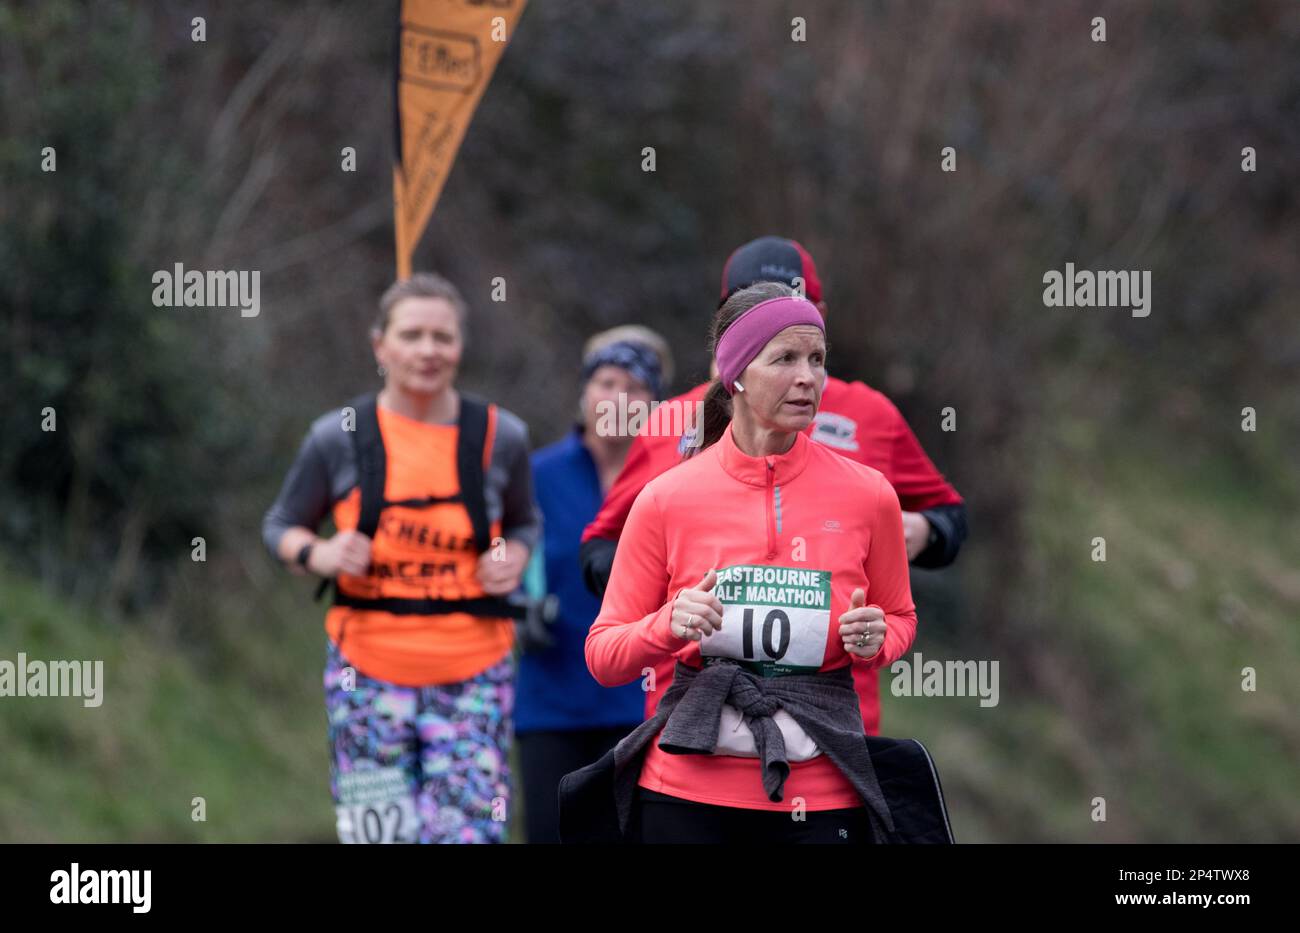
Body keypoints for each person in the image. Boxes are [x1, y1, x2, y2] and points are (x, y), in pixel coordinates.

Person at [580, 235, 965, 734]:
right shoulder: (673, 420)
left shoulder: (870, 415)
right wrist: (666, 583)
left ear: (819, 312)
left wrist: (924, 531)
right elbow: (601, 549)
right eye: (755, 302)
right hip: (693, 717)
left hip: (832, 718)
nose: (777, 312)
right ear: (729, 327)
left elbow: (950, 525)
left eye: (791, 300)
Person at [577, 282, 917, 843]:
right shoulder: (667, 496)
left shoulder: (870, 494)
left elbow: (901, 619)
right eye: (784, 358)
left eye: (817, 359)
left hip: (822, 791)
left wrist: (877, 638)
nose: (808, 377)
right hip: (685, 791)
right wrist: (668, 623)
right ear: (735, 373)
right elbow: (605, 655)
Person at [262, 272, 540, 844]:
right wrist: (321, 552)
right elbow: (280, 527)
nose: (427, 351)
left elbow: (523, 522)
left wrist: (511, 555)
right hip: (364, 675)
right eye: (411, 335)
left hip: (474, 675)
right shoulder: (337, 436)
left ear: (461, 346)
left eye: (443, 337)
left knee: (468, 835)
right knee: (378, 839)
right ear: (379, 345)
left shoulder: (501, 436)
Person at [515, 329, 672, 843]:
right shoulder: (536, 474)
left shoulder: (677, 479)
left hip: (645, 701)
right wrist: (515, 604)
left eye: (634, 387)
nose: (618, 399)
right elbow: (499, 556)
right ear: (584, 393)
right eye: (605, 382)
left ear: (657, 403)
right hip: (550, 698)